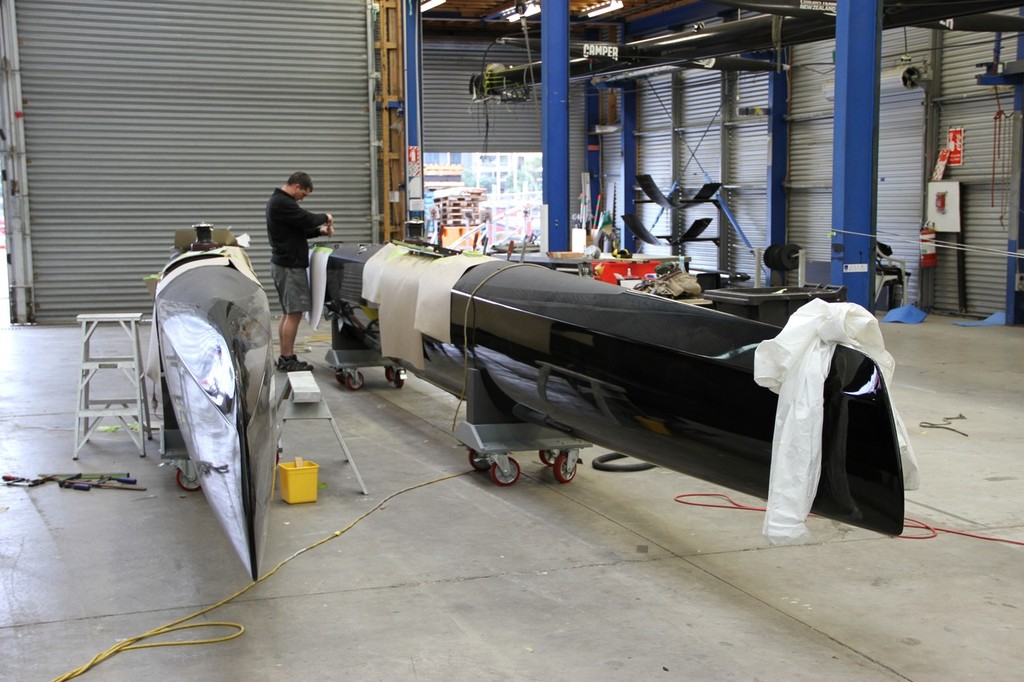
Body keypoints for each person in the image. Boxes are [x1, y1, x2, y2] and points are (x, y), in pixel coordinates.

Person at [266, 171, 334, 372]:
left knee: (289, 313)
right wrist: (326, 217)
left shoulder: (282, 203)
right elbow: (306, 219)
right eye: (303, 194)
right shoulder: (281, 202)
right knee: (294, 313)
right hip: (288, 267)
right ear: (296, 186)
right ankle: (287, 358)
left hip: (284, 264)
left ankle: (286, 357)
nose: (302, 198)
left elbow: (298, 230)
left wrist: (319, 231)